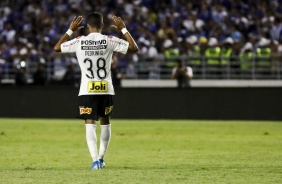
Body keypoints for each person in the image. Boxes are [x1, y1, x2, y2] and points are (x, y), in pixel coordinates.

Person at [54, 12, 139, 170]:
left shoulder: (80, 41)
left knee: (89, 124)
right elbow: (134, 48)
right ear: (102, 26)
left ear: (87, 27)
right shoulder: (109, 40)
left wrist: (70, 30)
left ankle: (95, 161)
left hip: (87, 89)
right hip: (106, 89)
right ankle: (101, 158)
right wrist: (124, 29)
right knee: (105, 123)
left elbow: (57, 47)